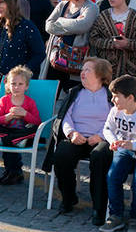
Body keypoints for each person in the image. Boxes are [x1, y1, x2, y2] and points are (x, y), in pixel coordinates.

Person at [42, 58, 113, 222]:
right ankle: (68, 197)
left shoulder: (110, 95)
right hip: (77, 137)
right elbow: (65, 117)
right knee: (62, 154)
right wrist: (72, 133)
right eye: (83, 69)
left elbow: (114, 120)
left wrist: (101, 135)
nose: (83, 72)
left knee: (100, 156)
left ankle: (99, 208)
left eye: (88, 70)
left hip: (102, 139)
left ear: (100, 75)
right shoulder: (75, 92)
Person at [0, 66, 41, 185]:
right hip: (6, 131)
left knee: (34, 129)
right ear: (8, 85)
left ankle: (12, 171)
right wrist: (8, 116)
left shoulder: (29, 102)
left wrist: (25, 114)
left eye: (20, 84)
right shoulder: (4, 100)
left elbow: (37, 121)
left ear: (26, 86)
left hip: (21, 132)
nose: (16, 87)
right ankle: (13, 170)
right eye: (13, 84)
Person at [0, 0, 45, 107]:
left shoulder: (27, 26)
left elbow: (40, 54)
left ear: (10, 3)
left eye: (1, 2)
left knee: (12, 122)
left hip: (15, 86)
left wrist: (22, 73)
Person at [45, 0, 99, 92]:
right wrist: (71, 24)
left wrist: (59, 21)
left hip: (77, 62)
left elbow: (82, 26)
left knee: (72, 98)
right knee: (51, 95)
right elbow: (48, 26)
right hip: (56, 60)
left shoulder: (91, 7)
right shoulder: (62, 5)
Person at [100, 74, 136, 232]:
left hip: (132, 146)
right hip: (124, 149)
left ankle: (135, 217)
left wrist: (133, 144)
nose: (112, 100)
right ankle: (116, 215)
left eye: (116, 97)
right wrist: (113, 141)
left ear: (130, 98)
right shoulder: (116, 111)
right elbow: (107, 128)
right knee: (113, 176)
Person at [89, 0, 135, 78]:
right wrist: (111, 43)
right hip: (107, 71)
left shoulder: (134, 17)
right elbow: (93, 39)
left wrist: (128, 43)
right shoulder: (102, 16)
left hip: (131, 73)